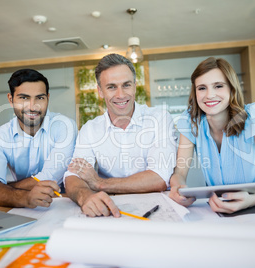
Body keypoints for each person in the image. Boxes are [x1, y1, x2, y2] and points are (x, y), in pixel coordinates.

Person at [169, 57, 255, 214]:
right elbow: (179, 173)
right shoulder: (190, 121)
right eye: (202, 88)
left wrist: (252, 200)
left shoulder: (254, 116)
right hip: (219, 208)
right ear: (195, 92)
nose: (209, 95)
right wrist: (177, 188)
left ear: (232, 89)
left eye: (218, 86)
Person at [64, 53, 177, 217]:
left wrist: (99, 183)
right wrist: (85, 197)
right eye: (111, 87)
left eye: (126, 85)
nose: (121, 95)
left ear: (135, 85)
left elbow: (159, 178)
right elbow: (73, 176)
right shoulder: (90, 129)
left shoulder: (160, 118)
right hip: (110, 210)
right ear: (100, 91)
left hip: (159, 209)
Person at [0, 69, 77, 208]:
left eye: (40, 98)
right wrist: (22, 197)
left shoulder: (64, 127)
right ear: (10, 99)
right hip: (21, 207)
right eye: (24, 98)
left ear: (48, 98)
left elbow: (49, 178)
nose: (32, 106)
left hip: (65, 205)